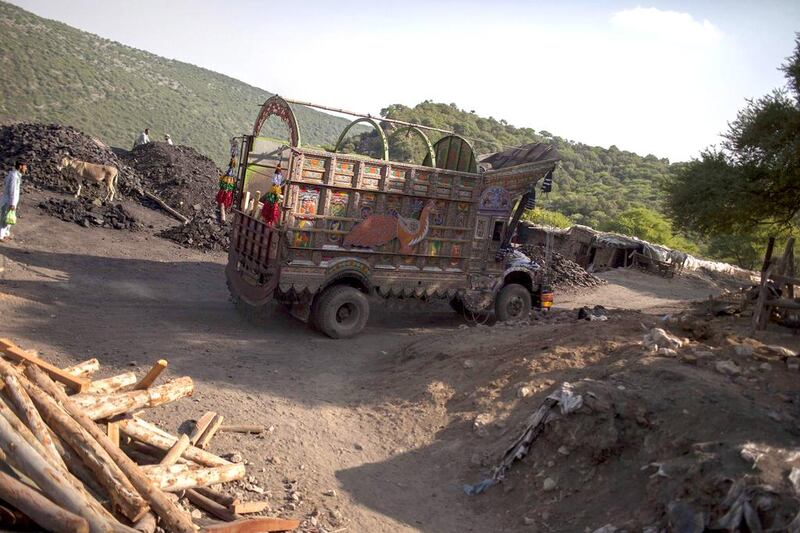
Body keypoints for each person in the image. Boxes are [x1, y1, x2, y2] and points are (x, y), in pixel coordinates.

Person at [1, 160, 26, 241]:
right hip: (8, 201)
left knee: (8, 218)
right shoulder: (14, 176)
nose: (26, 168)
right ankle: (1, 235)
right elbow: (13, 190)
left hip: (9, 200)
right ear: (20, 166)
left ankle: (5, 234)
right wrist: (12, 203)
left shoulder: (13, 174)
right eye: (25, 166)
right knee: (5, 219)